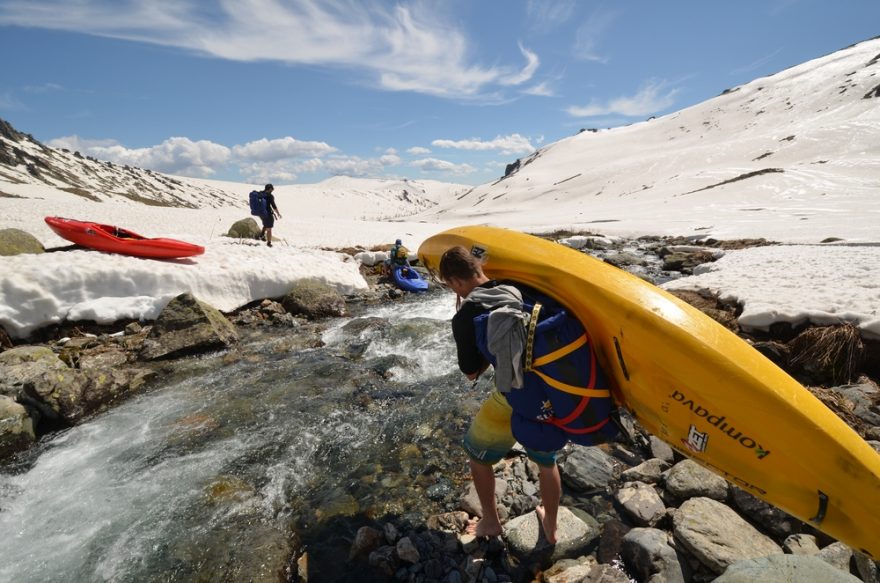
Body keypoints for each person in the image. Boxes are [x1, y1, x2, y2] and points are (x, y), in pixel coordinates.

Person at [438, 245, 562, 544]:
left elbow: (470, 372)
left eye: (450, 286)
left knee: (477, 455)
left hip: (511, 396)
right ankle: (552, 526)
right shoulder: (519, 288)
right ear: (478, 267)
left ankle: (491, 522)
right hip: (551, 390)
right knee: (546, 461)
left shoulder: (466, 315)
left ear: (456, 281)